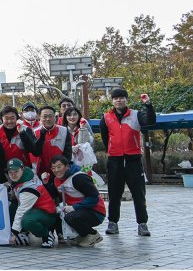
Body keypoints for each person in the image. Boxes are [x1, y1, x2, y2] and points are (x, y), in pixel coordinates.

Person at [99, 88, 155, 236]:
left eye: (122, 98)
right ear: (112, 101)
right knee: (114, 193)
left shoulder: (136, 115)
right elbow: (105, 139)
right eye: (116, 98)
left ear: (126, 100)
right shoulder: (106, 118)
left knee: (138, 193)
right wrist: (112, 150)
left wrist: (148, 105)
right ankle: (113, 223)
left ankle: (142, 224)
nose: (119, 100)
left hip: (133, 159)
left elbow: (150, 121)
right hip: (115, 160)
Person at [50, 154, 106, 247]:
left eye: (59, 167)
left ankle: (92, 234)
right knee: (56, 213)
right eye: (53, 168)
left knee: (70, 217)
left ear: (67, 166)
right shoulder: (56, 180)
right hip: (79, 210)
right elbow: (56, 196)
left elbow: (94, 197)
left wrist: (74, 207)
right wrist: (46, 182)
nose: (56, 170)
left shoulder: (79, 178)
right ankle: (81, 236)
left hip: (95, 212)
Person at [6, 158, 58, 248]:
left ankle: (47, 234)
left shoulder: (29, 188)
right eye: (10, 172)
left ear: (22, 169)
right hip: (35, 208)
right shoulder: (27, 174)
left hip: (47, 214)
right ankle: (22, 232)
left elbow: (21, 211)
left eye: (16, 171)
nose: (13, 175)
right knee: (12, 207)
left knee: (27, 221)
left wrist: (14, 233)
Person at [31, 106, 72, 180]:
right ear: (40, 118)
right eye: (45, 116)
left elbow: (68, 153)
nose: (48, 119)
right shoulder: (34, 133)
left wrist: (61, 169)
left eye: (50, 116)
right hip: (41, 173)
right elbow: (33, 156)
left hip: (60, 172)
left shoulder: (64, 131)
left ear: (55, 117)